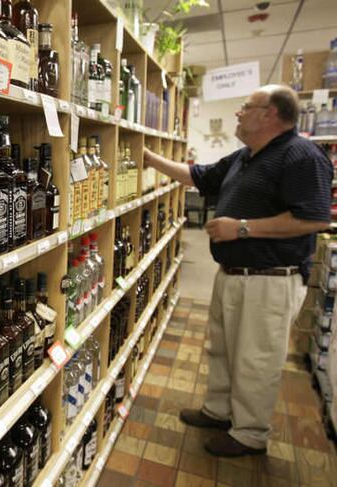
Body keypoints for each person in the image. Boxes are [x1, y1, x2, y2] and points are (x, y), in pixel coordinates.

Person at [143, 84, 333, 457]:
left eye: (246, 107)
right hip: (233, 273)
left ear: (270, 114)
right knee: (224, 349)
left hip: (270, 279)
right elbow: (198, 176)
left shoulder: (301, 155)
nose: (239, 113)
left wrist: (243, 227)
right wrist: (149, 157)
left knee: (256, 358)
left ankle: (249, 433)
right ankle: (219, 410)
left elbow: (313, 219)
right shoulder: (247, 156)